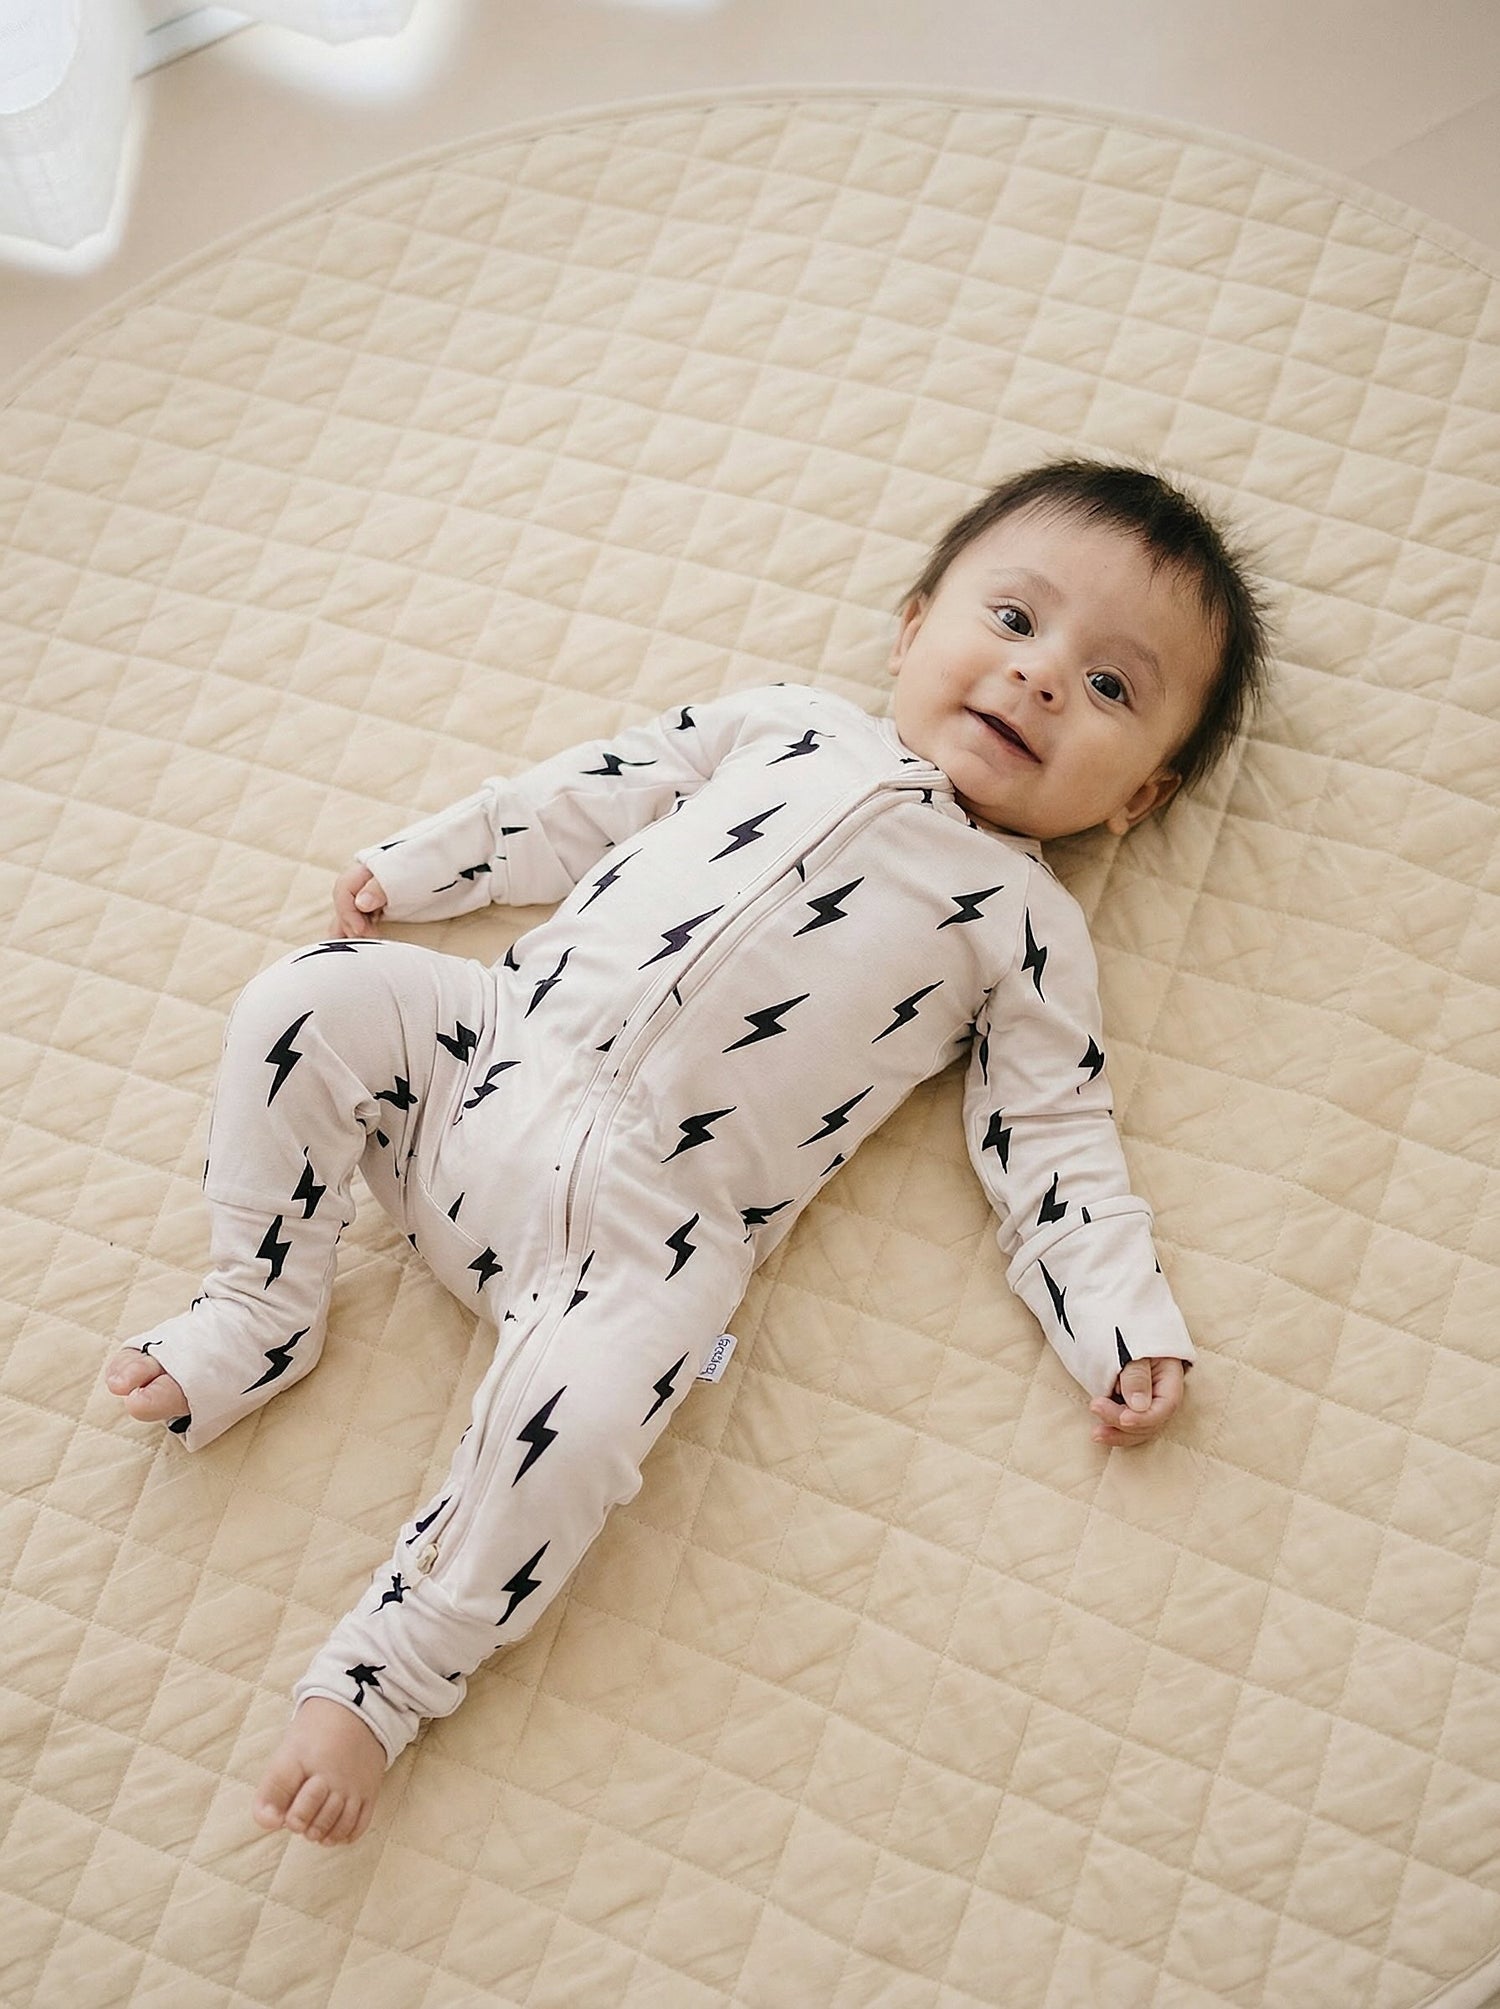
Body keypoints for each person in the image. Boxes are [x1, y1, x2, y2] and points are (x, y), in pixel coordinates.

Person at [104, 457, 1268, 1847]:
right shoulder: (787, 727)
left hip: (652, 1242)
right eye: (1013, 621)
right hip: (490, 1052)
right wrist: (428, 866)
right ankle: (259, 1305)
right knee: (306, 1001)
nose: (1041, 678)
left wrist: (1120, 1318)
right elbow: (592, 792)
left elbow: (1055, 1137)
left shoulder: (1025, 926)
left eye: (1113, 687)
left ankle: (386, 1672)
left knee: (589, 1427)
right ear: (912, 629)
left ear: (1139, 797)